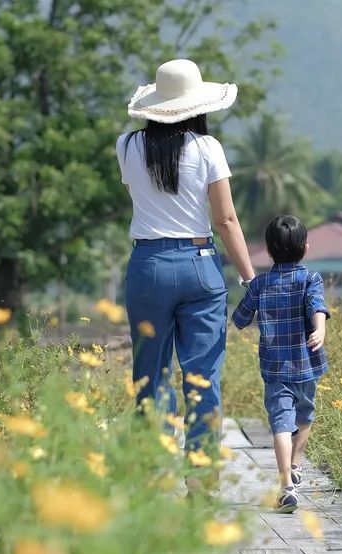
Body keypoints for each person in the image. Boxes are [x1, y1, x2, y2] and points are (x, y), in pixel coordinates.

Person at [117, 59, 255, 476]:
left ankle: (155, 473)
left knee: (151, 375)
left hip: (148, 265)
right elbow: (226, 221)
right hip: (200, 266)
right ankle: (202, 476)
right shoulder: (208, 149)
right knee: (202, 376)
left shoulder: (126, 146)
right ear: (198, 107)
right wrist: (250, 277)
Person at [232, 215, 330, 514]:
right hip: (307, 364)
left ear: (269, 251)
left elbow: (239, 320)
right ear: (306, 248)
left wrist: (249, 289)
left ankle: (286, 484)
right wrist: (319, 329)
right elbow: (317, 305)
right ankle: (296, 463)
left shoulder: (260, 284)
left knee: (280, 423)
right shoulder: (311, 279)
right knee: (306, 414)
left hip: (274, 368)